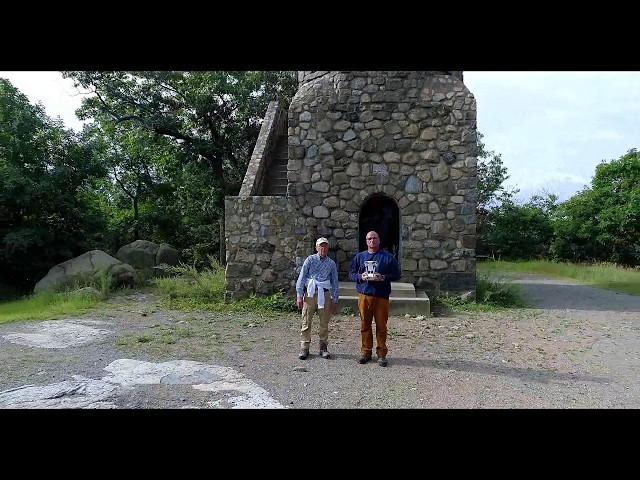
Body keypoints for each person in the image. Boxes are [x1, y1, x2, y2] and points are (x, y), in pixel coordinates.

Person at [348, 230, 401, 367]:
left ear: (379, 240)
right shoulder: (359, 257)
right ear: (366, 241)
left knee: (381, 326)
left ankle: (382, 354)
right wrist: (361, 277)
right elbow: (352, 274)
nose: (372, 240)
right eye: (369, 238)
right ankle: (366, 352)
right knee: (365, 325)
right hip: (364, 296)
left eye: (374, 238)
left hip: (381, 296)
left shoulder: (388, 257)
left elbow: (397, 274)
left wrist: (383, 277)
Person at [295, 237, 339, 360]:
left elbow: (335, 282)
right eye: (321, 246)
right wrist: (299, 295)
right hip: (309, 294)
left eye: (325, 246)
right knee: (306, 321)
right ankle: (304, 348)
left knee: (324, 322)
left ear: (328, 248)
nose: (323, 248)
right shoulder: (310, 260)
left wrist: (335, 299)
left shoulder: (331, 263)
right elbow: (302, 277)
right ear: (316, 247)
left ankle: (323, 347)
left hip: (324, 294)